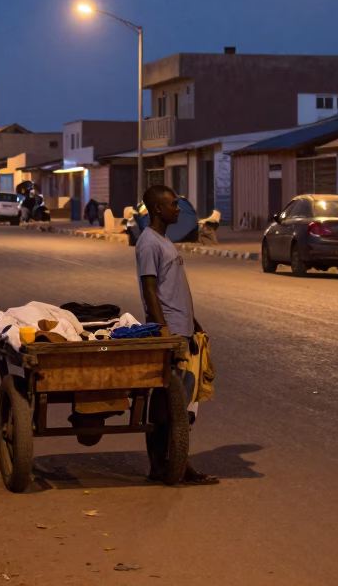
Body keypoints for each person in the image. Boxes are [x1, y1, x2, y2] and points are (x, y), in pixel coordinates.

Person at [136, 184, 218, 485]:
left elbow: (173, 289)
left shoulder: (163, 241)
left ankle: (172, 464)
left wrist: (193, 322)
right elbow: (149, 289)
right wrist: (164, 330)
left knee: (180, 405)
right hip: (169, 332)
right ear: (158, 209)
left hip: (182, 330)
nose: (178, 208)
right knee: (169, 406)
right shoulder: (149, 243)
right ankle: (166, 466)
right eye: (173, 204)